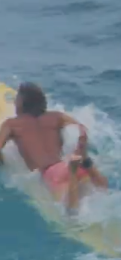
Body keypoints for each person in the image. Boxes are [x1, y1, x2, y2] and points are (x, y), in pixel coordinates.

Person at [0, 82, 108, 213]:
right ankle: (85, 163)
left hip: (53, 174)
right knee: (102, 192)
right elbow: (81, 129)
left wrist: (4, 162)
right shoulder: (56, 116)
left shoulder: (11, 124)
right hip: (65, 165)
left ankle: (73, 173)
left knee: (71, 214)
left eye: (16, 99)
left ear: (22, 103)